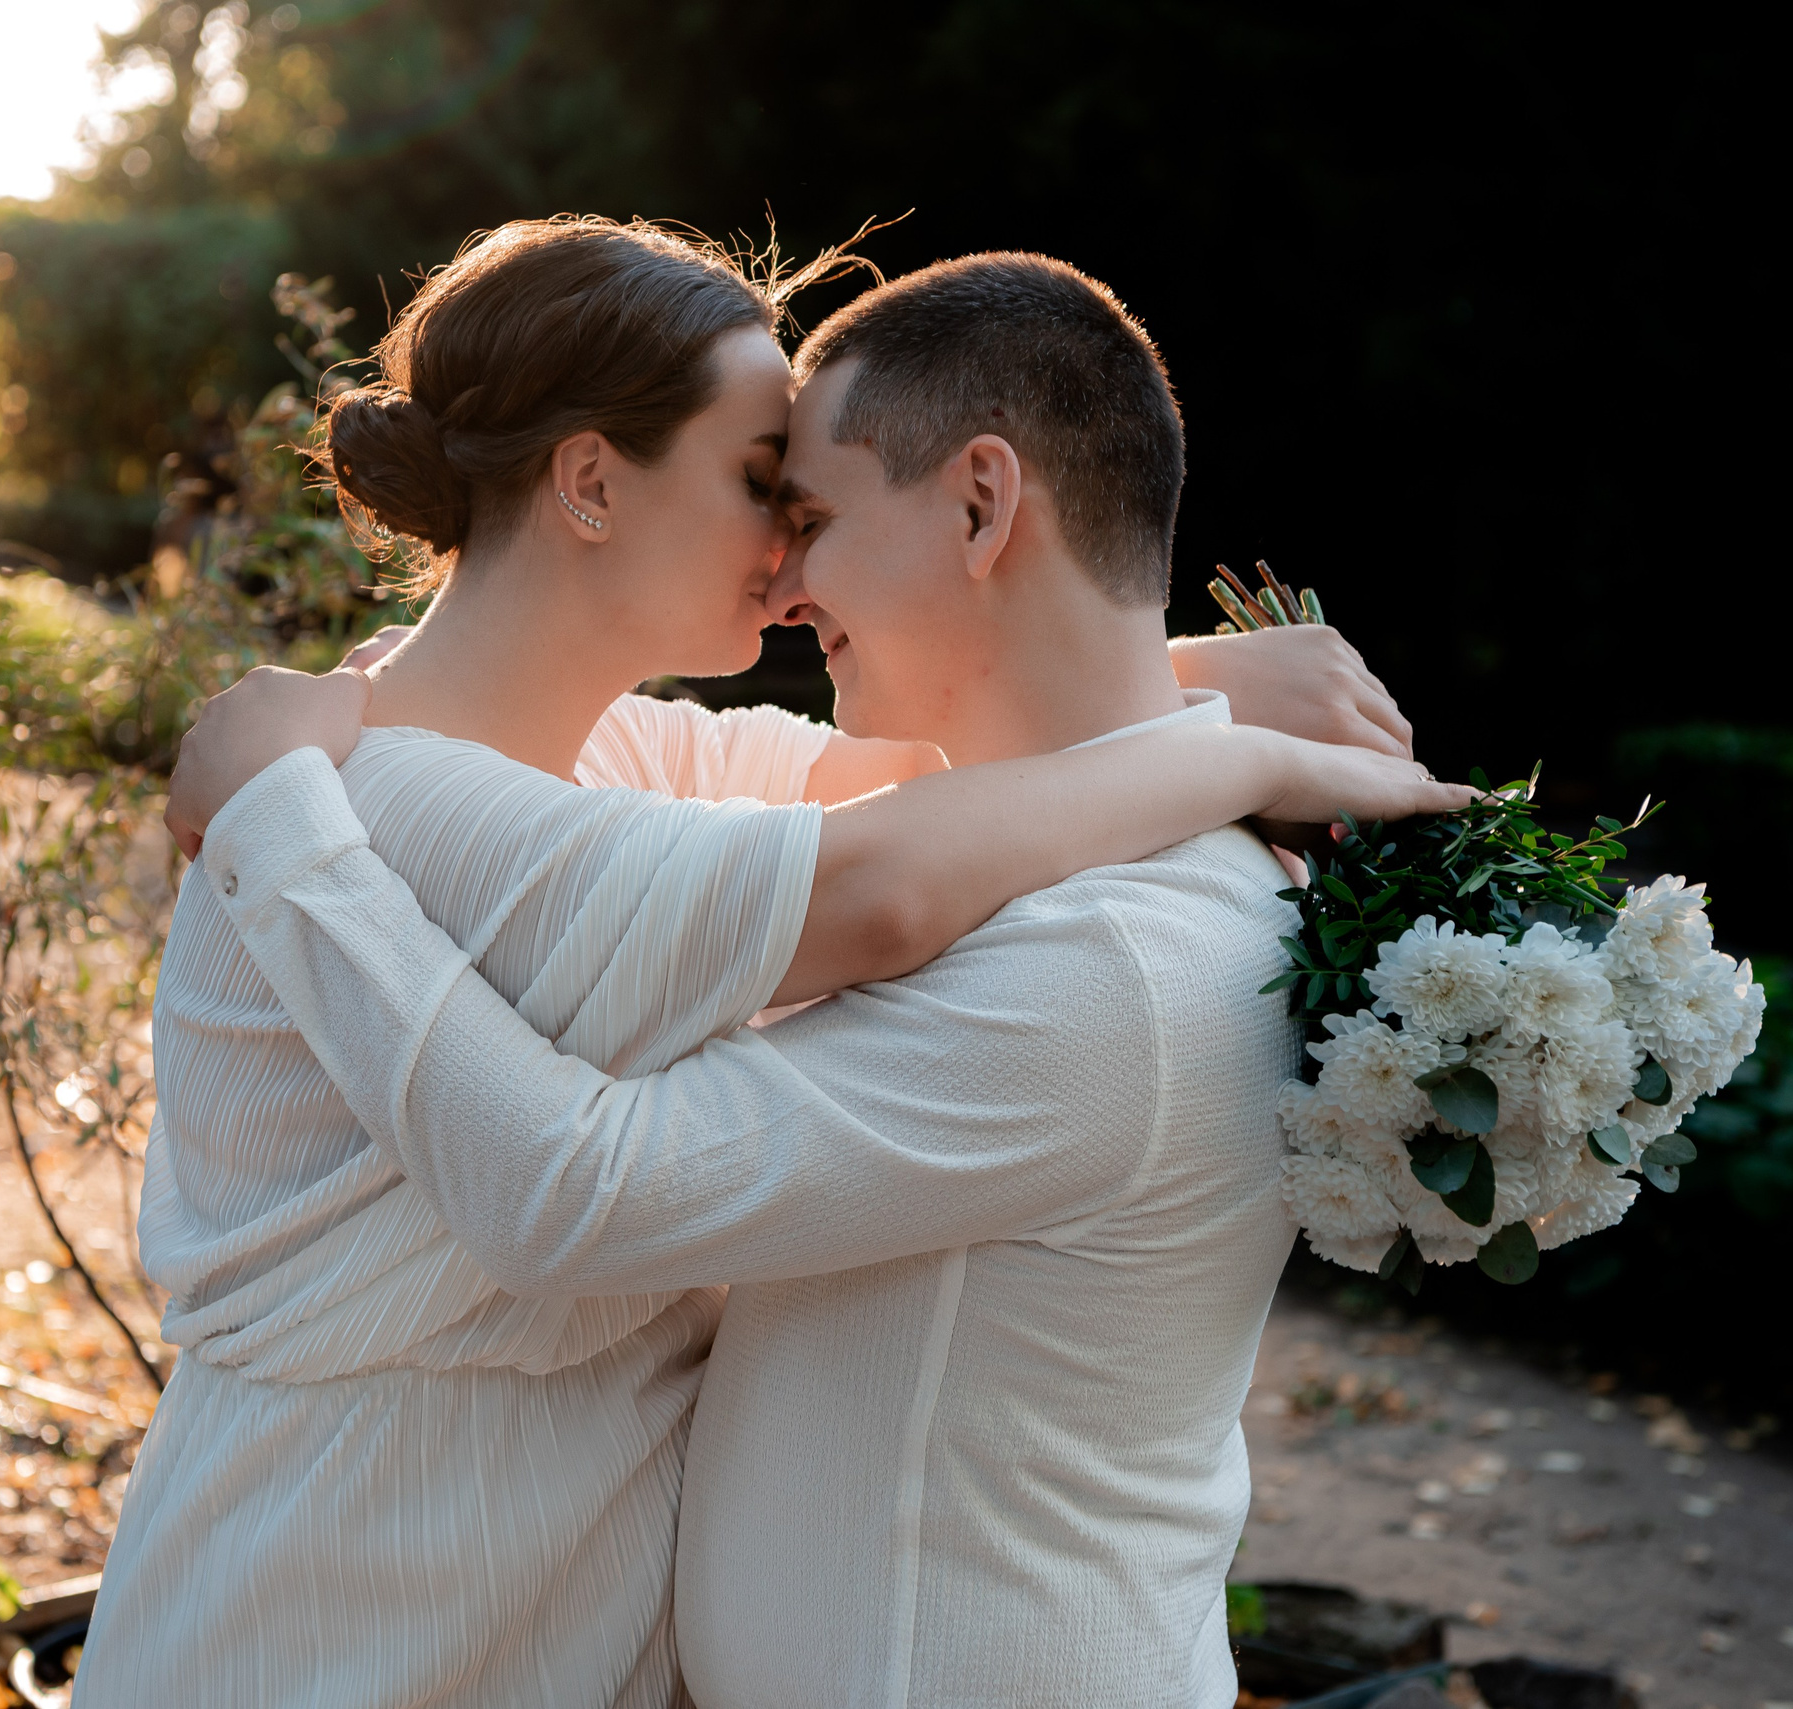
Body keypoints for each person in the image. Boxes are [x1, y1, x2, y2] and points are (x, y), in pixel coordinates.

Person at [76, 220, 1446, 1709]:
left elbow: (916, 771)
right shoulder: (388, 802)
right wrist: (1234, 743)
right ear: (592, 482)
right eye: (757, 484)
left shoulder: (628, 757)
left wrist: (1179, 674)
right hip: (342, 1612)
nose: (788, 558)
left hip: (525, 1618)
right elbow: (890, 877)